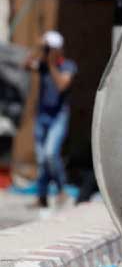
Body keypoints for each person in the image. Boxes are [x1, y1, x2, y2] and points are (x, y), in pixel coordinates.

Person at [24, 31, 77, 208]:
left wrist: (52, 64)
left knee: (50, 154)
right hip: (42, 116)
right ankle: (42, 197)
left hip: (58, 116)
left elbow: (62, 85)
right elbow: (24, 65)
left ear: (59, 49)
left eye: (51, 48)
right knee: (41, 160)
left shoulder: (68, 65)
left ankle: (62, 190)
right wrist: (38, 47)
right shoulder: (43, 64)